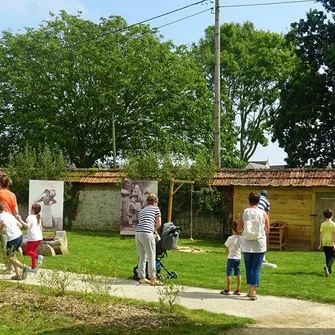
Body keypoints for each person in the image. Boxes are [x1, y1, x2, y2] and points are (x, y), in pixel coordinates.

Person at [237, 191, 270, 301]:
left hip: (247, 243)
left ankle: (250, 289)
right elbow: (268, 229)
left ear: (248, 200)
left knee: (249, 267)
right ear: (258, 201)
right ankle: (253, 291)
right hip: (259, 243)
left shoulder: (244, 212)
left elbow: (238, 229)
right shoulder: (263, 213)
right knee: (256, 267)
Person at [0, 173, 25, 274]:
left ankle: (10, 268)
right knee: (11, 250)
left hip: (3, 223)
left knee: (5, 248)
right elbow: (16, 212)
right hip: (11, 222)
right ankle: (17, 271)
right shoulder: (12, 195)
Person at [135, 193, 161, 286]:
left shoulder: (143, 209)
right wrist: (155, 231)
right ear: (155, 202)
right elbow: (158, 223)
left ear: (147, 201)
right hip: (147, 233)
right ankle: (153, 278)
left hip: (138, 233)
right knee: (151, 256)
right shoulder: (156, 209)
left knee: (142, 256)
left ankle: (142, 277)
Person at [0, 202, 28, 280]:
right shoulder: (9, 215)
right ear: (4, 208)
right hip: (19, 236)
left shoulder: (1, 216)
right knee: (12, 256)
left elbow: (3, 223)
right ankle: (18, 275)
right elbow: (20, 225)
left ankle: (24, 267)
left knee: (9, 257)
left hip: (12, 238)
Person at [221, 221, 242, 295]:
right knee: (238, 274)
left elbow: (226, 248)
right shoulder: (242, 239)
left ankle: (228, 289)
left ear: (232, 229)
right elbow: (242, 249)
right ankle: (238, 289)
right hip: (238, 258)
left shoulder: (230, 238)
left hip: (231, 258)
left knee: (229, 274)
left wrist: (228, 254)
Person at [21, 203, 44, 272]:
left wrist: (20, 220)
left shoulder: (30, 217)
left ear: (33, 210)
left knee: (28, 251)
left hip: (32, 237)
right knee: (33, 252)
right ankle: (34, 268)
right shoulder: (38, 217)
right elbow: (41, 228)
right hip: (39, 237)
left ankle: (38, 257)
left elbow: (27, 226)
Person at [318, 208, 335, 277]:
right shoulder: (333, 224)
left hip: (325, 241)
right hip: (331, 242)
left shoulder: (323, 224)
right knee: (333, 256)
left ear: (324, 216)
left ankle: (328, 270)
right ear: (332, 215)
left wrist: (320, 244)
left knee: (327, 256)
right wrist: (334, 244)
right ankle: (328, 267)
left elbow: (321, 235)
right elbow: (334, 235)